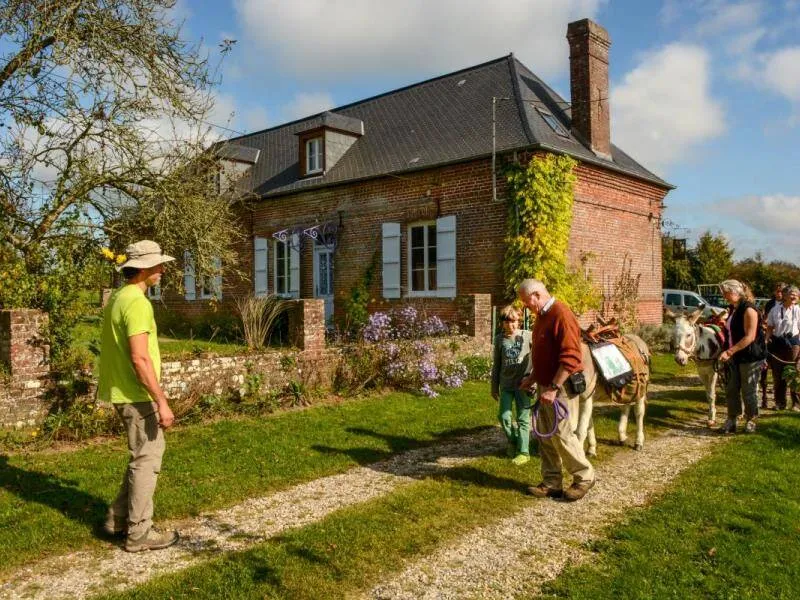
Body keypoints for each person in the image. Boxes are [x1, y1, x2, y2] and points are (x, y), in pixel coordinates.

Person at [98, 240, 180, 552]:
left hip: (122, 390)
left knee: (141, 456)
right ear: (143, 269)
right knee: (148, 459)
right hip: (137, 394)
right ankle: (139, 532)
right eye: (158, 265)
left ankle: (117, 519)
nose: (162, 270)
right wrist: (161, 400)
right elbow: (140, 358)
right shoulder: (137, 303)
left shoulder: (119, 297)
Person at [518, 279, 595, 501]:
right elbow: (544, 355)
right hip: (546, 386)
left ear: (536, 295)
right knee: (545, 436)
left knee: (561, 434)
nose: (526, 306)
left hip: (560, 387)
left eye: (526, 301)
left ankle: (585, 477)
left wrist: (553, 388)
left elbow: (571, 357)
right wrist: (533, 378)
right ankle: (552, 482)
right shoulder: (543, 317)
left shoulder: (561, 314)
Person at [718, 279, 766, 434]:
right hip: (734, 356)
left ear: (735, 292)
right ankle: (732, 419)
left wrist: (729, 352)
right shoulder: (734, 308)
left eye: (725, 293)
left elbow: (749, 337)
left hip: (749, 356)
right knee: (731, 389)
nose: (724, 296)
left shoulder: (749, 309)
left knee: (748, 390)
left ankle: (751, 419)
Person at [491, 305, 533, 465]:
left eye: (514, 321)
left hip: (523, 385)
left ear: (519, 321)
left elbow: (537, 356)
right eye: (507, 322)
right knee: (504, 417)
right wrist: (494, 386)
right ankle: (513, 440)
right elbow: (497, 365)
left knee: (523, 419)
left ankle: (524, 452)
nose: (511, 325)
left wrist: (533, 380)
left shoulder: (528, 336)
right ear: (502, 323)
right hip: (506, 385)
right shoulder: (499, 340)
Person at [766, 285, 800, 411]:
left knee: (794, 373)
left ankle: (796, 404)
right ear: (785, 295)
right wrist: (766, 340)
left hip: (793, 344)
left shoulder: (798, 310)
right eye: (792, 294)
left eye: (796, 294)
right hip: (778, 343)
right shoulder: (775, 310)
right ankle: (780, 403)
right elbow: (770, 327)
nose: (794, 296)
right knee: (778, 374)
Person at [760, 282, 785, 408]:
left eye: (781, 291)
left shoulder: (789, 304)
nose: (779, 293)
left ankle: (779, 399)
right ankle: (764, 397)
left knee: (779, 371)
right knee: (763, 368)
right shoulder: (770, 304)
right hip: (769, 336)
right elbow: (765, 319)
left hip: (782, 338)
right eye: (777, 291)